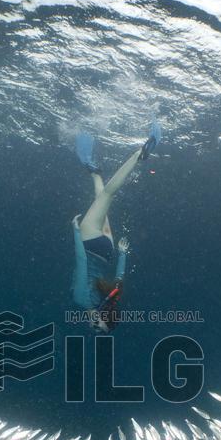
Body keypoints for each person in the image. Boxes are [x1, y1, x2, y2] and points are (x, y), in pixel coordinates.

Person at [71, 123, 161, 332]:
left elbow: (119, 279)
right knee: (107, 196)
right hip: (89, 242)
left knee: (100, 200)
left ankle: (94, 171)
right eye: (98, 327)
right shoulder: (82, 300)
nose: (93, 327)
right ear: (101, 318)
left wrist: (122, 253)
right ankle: (139, 154)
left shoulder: (107, 297)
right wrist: (75, 232)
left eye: (96, 329)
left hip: (107, 249)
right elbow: (81, 260)